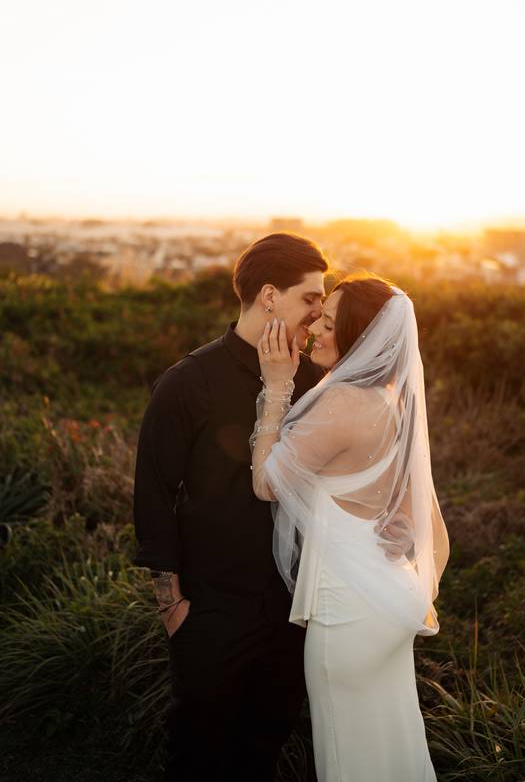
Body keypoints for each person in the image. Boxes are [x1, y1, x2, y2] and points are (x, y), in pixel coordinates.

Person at [132, 232, 329, 781]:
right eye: (310, 297)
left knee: (263, 748)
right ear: (270, 295)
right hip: (211, 611)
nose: (318, 311)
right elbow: (153, 495)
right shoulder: (186, 383)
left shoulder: (317, 384)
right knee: (196, 752)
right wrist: (171, 606)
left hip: (291, 611)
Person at [250, 273, 450, 782]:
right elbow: (437, 536)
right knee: (392, 748)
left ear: (360, 338)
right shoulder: (394, 405)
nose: (315, 326)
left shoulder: (342, 403)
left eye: (330, 322)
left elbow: (267, 485)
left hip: (348, 617)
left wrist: (276, 386)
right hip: (390, 606)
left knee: (346, 759)